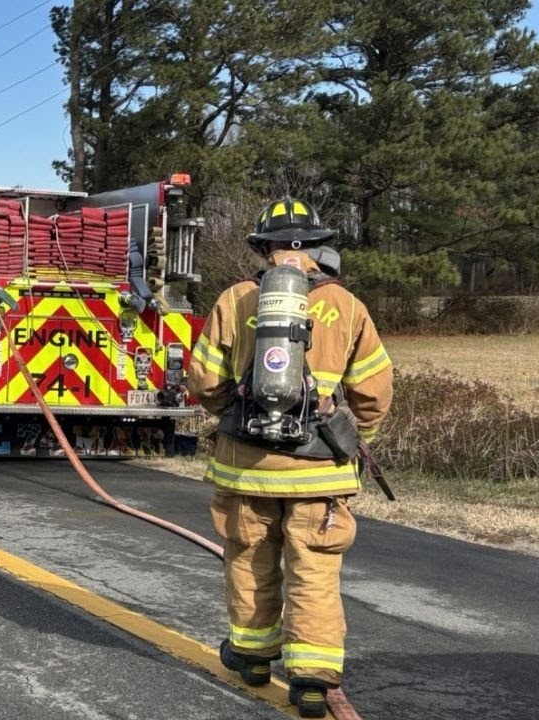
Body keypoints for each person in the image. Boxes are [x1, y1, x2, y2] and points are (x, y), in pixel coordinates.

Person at [186, 197, 393, 718]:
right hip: (319, 470)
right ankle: (313, 683)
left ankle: (253, 658)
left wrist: (228, 409)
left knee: (250, 558)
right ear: (317, 249)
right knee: (315, 571)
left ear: (264, 247)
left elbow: (205, 380)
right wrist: (353, 432)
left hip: (246, 467)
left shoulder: (236, 299)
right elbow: (374, 393)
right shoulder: (347, 305)